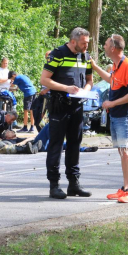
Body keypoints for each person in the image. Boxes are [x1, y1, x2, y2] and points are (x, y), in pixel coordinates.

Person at [40, 27, 93, 200]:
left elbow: (89, 80)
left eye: (87, 43)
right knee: (55, 145)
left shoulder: (85, 56)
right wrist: (66, 88)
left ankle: (74, 184)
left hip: (77, 106)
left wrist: (85, 90)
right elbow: (44, 79)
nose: (86, 46)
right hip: (59, 105)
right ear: (73, 41)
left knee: (74, 144)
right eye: (83, 43)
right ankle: (54, 185)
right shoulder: (58, 54)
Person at [93, 34, 128, 204]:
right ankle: (125, 188)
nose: (104, 47)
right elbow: (110, 80)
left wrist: (112, 103)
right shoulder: (115, 65)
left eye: (106, 45)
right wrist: (95, 67)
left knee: (127, 152)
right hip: (117, 115)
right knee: (122, 152)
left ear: (113, 48)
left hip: (125, 115)